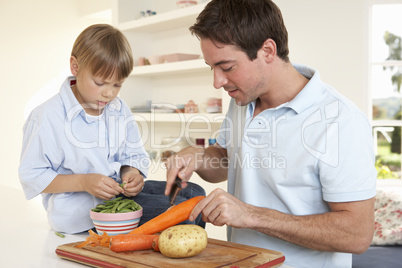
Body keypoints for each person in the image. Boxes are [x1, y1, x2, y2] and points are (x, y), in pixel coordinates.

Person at [164, 1, 376, 267]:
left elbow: (356, 234)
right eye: (212, 68)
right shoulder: (243, 100)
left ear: (267, 50)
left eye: (227, 67)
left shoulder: (340, 121)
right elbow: (228, 161)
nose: (217, 81)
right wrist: (199, 156)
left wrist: (252, 216)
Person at [19, 24, 205, 234]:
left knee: (195, 194)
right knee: (186, 214)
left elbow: (132, 155)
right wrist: (84, 181)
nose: (109, 93)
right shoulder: (47, 116)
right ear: (75, 66)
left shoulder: (119, 109)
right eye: (100, 82)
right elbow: (32, 175)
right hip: (82, 211)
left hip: (120, 193)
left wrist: (132, 173)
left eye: (117, 85)